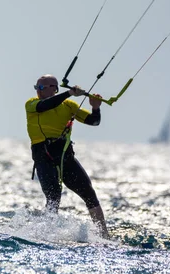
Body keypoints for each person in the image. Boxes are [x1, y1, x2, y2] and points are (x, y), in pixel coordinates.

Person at [25, 74, 109, 237]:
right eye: (37, 87)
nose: (38, 91)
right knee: (53, 196)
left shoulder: (68, 106)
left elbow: (94, 121)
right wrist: (69, 93)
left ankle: (104, 235)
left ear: (54, 89)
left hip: (65, 155)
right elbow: (46, 106)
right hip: (43, 156)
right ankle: (47, 234)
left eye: (41, 88)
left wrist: (96, 107)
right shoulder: (32, 104)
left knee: (89, 193)